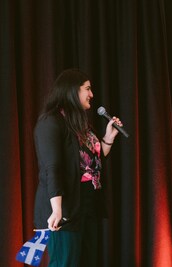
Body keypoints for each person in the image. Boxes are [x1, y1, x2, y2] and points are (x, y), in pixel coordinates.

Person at [33, 68, 123, 266]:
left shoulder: (80, 122)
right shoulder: (51, 121)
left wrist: (108, 138)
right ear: (72, 90)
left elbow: (93, 161)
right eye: (87, 89)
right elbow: (52, 168)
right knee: (65, 262)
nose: (91, 94)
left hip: (87, 203)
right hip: (65, 206)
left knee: (86, 261)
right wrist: (57, 210)